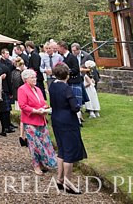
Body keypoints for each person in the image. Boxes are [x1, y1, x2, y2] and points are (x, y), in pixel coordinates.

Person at [49, 64, 88, 194]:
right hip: (67, 121)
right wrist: (77, 104)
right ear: (67, 75)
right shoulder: (66, 89)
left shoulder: (52, 85)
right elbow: (75, 107)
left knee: (61, 150)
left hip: (56, 119)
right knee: (69, 152)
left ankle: (59, 179)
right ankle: (67, 182)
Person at [17, 69, 58, 176]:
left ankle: (43, 162)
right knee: (34, 144)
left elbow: (42, 102)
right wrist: (35, 111)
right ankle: (36, 165)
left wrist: (45, 108)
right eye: (32, 77)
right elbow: (23, 105)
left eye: (35, 77)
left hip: (41, 119)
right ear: (26, 79)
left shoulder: (38, 89)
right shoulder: (22, 89)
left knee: (44, 142)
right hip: (30, 121)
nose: (35, 79)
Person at [57, 41, 84, 124]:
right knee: (70, 101)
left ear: (62, 47)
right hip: (68, 82)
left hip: (74, 81)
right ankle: (75, 118)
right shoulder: (63, 58)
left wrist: (66, 71)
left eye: (58, 48)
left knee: (75, 100)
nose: (58, 50)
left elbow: (76, 69)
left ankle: (78, 120)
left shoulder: (72, 57)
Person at [0, 49, 15, 136]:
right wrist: (11, 92)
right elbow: (9, 81)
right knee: (6, 110)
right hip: (5, 90)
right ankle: (6, 127)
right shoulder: (5, 67)